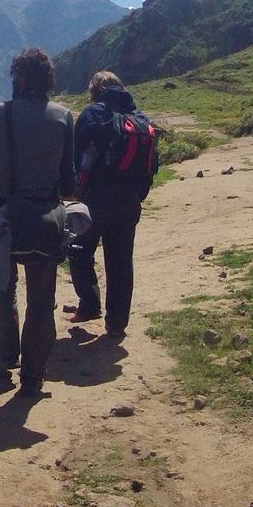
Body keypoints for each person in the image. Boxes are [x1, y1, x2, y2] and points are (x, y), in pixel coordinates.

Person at [0, 48, 75, 397]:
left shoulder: (0, 115)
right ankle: (33, 375)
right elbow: (69, 182)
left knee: (2, 288)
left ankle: (5, 356)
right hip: (47, 221)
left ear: (20, 78)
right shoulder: (63, 117)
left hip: (6, 220)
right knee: (41, 300)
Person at [67, 71, 153, 340]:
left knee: (78, 249)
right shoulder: (139, 118)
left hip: (95, 198)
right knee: (120, 261)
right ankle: (117, 323)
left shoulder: (92, 114)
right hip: (129, 201)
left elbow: (74, 153)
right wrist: (138, 194)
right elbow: (152, 165)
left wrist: (72, 190)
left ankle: (90, 304)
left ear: (95, 90)